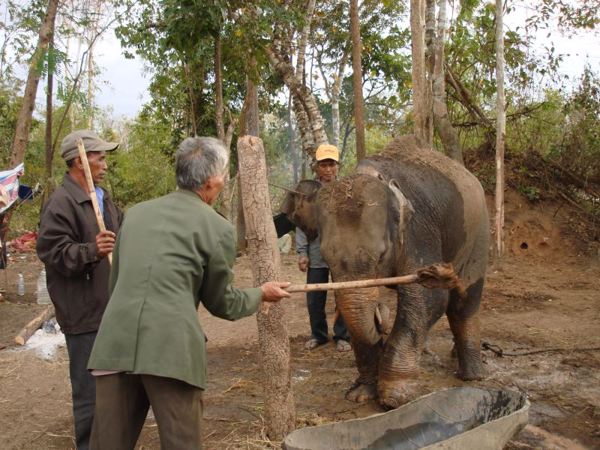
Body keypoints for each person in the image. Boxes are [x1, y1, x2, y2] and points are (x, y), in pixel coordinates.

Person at [87, 136, 291, 450]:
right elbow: (222, 303)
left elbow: (116, 285)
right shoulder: (217, 228)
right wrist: (260, 293)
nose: (224, 181)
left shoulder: (136, 214)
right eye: (223, 175)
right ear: (211, 183)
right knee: (182, 442)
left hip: (114, 343)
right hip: (170, 351)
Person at [36, 130, 122, 450]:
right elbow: (52, 253)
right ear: (78, 161)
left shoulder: (102, 197)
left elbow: (121, 233)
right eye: (99, 156)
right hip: (84, 314)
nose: (105, 163)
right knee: (89, 395)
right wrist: (91, 251)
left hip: (109, 308)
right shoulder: (61, 203)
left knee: (114, 387)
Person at [297, 144, 351, 352]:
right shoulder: (308, 193)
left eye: (331, 164)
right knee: (315, 299)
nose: (328, 169)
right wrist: (302, 253)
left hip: (342, 255)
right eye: (324, 165)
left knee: (343, 296)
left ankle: (342, 336)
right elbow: (302, 225)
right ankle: (318, 335)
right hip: (316, 253)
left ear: (337, 166)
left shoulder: (347, 190)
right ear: (316, 167)